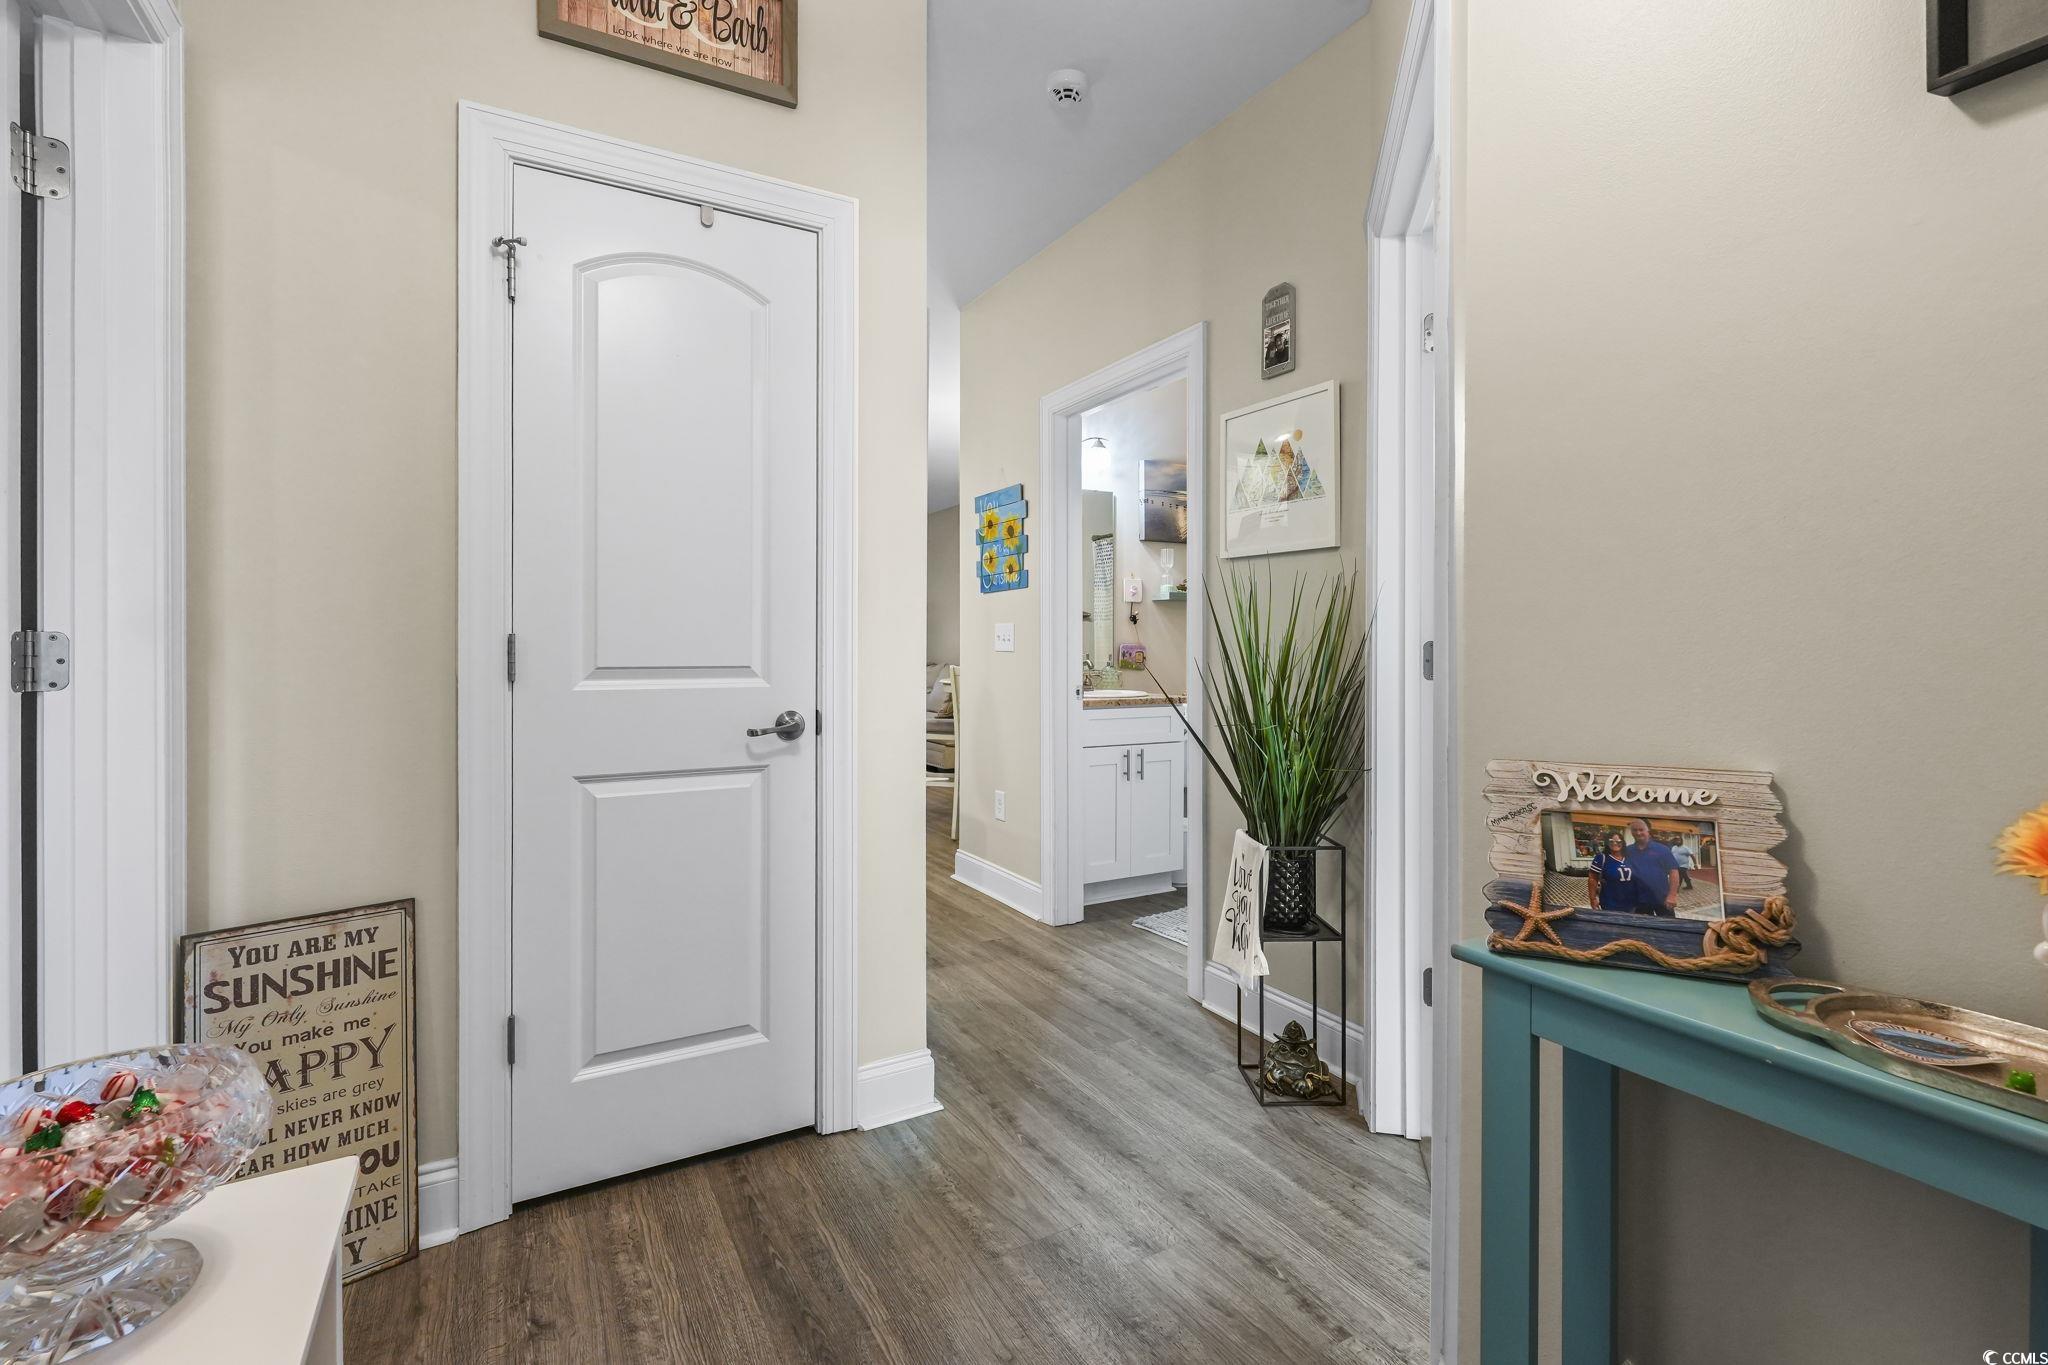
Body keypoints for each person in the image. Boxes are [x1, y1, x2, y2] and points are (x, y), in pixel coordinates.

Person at [1623, 819, 1681, 916]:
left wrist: (1672, 895)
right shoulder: (1627, 851)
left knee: (1667, 928)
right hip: (1638, 900)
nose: (1638, 832)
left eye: (1641, 829)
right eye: (1634, 830)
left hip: (1662, 899)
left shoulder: (1662, 850)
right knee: (1643, 929)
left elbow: (1673, 872)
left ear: (1648, 831)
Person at [1585, 831, 1634, 912]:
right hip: (1610, 903)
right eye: (1611, 841)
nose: (1615, 843)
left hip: (1630, 903)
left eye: (1618, 841)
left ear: (1623, 843)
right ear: (1607, 842)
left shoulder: (1629, 858)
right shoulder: (1602, 858)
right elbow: (1592, 879)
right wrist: (1593, 899)